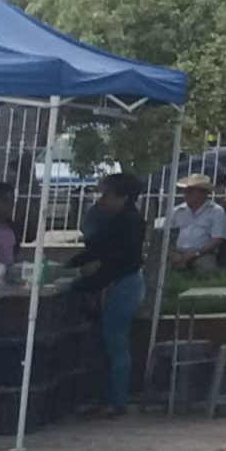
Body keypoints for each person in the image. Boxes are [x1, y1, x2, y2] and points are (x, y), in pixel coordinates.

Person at [70, 172, 148, 416]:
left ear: (123, 197)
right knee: (109, 343)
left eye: (108, 195)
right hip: (120, 284)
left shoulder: (128, 223)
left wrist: (84, 277)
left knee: (116, 343)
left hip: (123, 286)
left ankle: (117, 400)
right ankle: (108, 397)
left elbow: (109, 256)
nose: (103, 200)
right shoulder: (120, 220)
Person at [168, 174, 226, 275]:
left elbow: (216, 240)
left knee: (207, 271)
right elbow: (166, 235)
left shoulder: (216, 212)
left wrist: (195, 254)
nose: (186, 195)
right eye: (185, 191)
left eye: (190, 192)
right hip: (176, 253)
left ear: (203, 193)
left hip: (203, 253)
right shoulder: (177, 211)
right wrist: (172, 253)